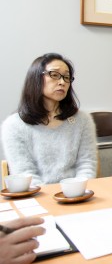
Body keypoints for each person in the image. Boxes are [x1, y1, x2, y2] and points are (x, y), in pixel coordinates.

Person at [1, 53, 97, 186]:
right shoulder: (14, 125)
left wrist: (75, 191)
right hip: (36, 197)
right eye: (54, 75)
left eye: (67, 77)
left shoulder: (82, 120)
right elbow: (25, 173)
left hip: (77, 194)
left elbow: (87, 165)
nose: (62, 82)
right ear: (36, 78)